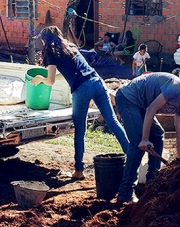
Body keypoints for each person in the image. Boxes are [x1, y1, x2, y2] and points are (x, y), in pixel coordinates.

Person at [29, 26, 129, 180]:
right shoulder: (70, 48)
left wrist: (39, 79)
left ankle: (79, 170)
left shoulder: (51, 53)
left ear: (45, 40)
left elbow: (50, 81)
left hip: (82, 89)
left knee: (80, 130)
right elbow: (68, 73)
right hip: (98, 82)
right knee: (113, 121)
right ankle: (131, 155)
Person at [115, 73, 180, 203]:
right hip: (128, 98)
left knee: (158, 134)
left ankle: (152, 183)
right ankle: (125, 193)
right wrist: (144, 138)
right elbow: (151, 109)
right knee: (138, 144)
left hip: (141, 106)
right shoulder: (176, 87)